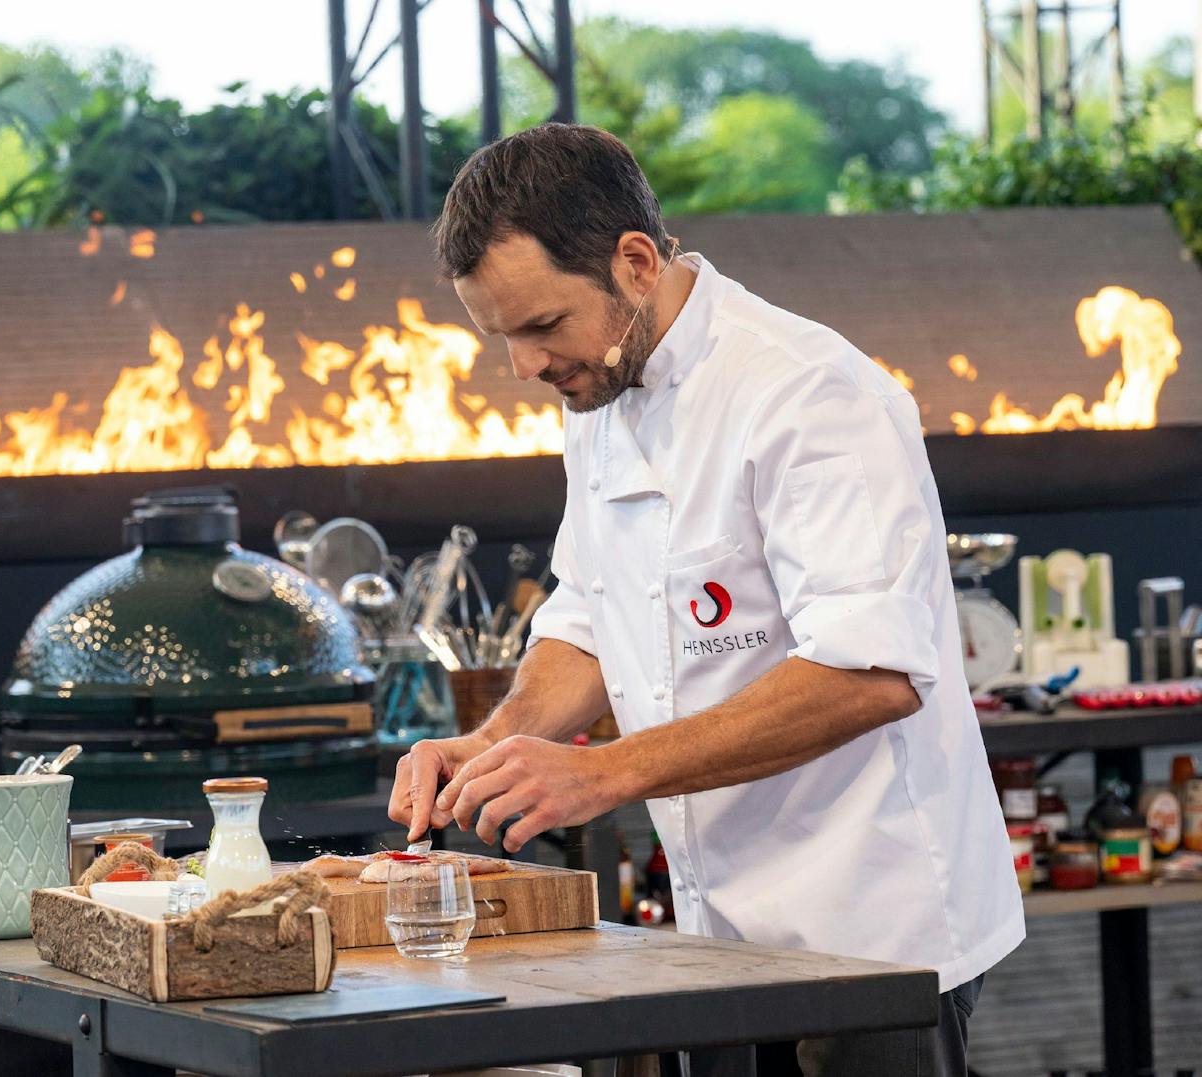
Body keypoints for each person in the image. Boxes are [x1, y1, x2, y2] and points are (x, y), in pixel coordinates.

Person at [389, 124, 1022, 1077]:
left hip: (874, 931)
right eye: (503, 336)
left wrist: (601, 774)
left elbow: (874, 674)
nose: (524, 365)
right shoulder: (600, 395)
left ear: (636, 263)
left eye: (543, 326)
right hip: (716, 938)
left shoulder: (809, 394)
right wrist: (493, 745)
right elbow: (591, 612)